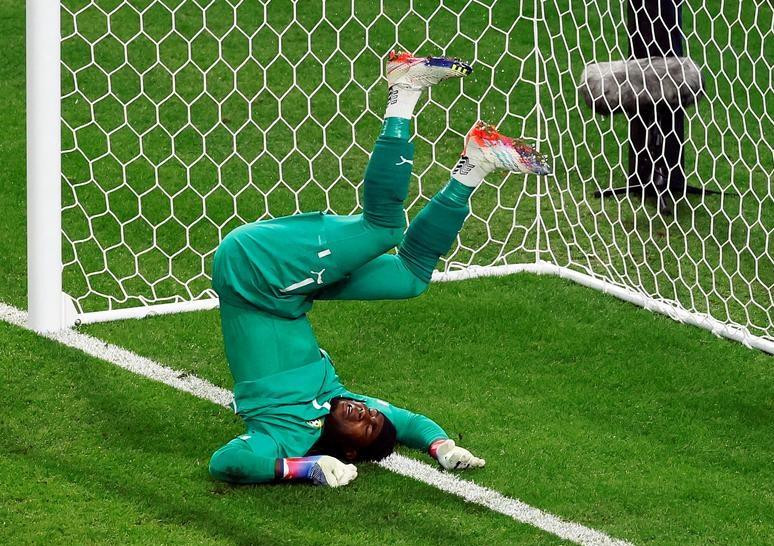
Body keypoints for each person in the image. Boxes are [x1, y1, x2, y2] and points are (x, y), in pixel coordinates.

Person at [208, 51, 551, 487]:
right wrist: (442, 446)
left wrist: (302, 468)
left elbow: (225, 462)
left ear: (349, 452)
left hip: (254, 272)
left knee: (383, 228)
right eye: (371, 414)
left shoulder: (281, 437)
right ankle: (473, 163)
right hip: (287, 290)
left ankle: (405, 89)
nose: (365, 411)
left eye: (366, 425)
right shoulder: (336, 398)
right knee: (411, 277)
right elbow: (407, 422)